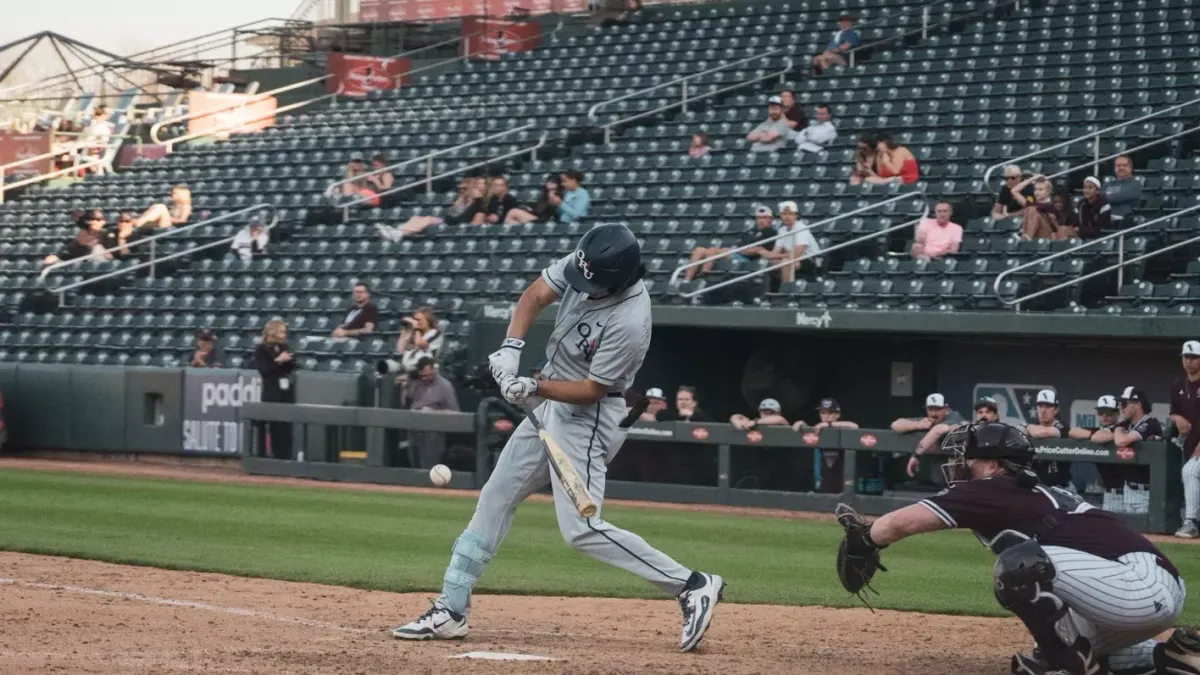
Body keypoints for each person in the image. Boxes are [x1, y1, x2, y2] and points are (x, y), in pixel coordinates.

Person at [392, 223, 725, 651]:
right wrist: (512, 346)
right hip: (549, 401)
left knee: (581, 530)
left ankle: (691, 584)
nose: (583, 285)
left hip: (588, 417)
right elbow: (535, 295)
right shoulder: (590, 261)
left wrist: (535, 387)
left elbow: (592, 389)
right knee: (496, 495)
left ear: (619, 278)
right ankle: (451, 609)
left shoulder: (630, 320)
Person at [841, 421, 1195, 675]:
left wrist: (865, 537)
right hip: (1138, 588)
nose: (958, 464)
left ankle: (1072, 663)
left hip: (1136, 586)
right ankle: (1175, 655)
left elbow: (901, 523)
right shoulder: (1019, 490)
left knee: (1019, 566)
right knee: (1077, 652)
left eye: (968, 457)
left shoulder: (994, 487)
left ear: (993, 465)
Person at [377, 177, 485, 241]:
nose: (462, 190)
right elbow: (452, 213)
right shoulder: (462, 199)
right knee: (416, 218)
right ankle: (396, 231)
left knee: (428, 219)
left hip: (455, 224)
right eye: (461, 188)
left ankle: (398, 233)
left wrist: (475, 197)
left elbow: (463, 217)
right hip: (449, 220)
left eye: (465, 188)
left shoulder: (477, 202)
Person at [402, 357, 460, 469]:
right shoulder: (415, 383)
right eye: (422, 376)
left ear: (434, 370)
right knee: (414, 465)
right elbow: (405, 404)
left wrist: (434, 413)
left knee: (428, 466)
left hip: (434, 431)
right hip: (414, 428)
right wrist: (404, 389)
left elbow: (455, 413)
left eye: (428, 375)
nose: (425, 378)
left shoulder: (445, 385)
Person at [254, 319, 296, 460]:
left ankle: (286, 457)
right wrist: (278, 360)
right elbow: (264, 370)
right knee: (274, 425)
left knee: (286, 428)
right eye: (281, 332)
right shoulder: (261, 349)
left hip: (286, 391)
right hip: (271, 391)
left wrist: (289, 361)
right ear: (273, 332)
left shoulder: (285, 347)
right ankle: (270, 457)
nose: (284, 335)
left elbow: (289, 369)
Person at [1172, 340, 1200, 539]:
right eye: (1186, 357)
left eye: (1194, 357)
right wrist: (1176, 418)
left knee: (1189, 470)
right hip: (1191, 443)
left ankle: (1191, 522)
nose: (1189, 361)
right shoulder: (1177, 385)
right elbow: (1173, 412)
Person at [41, 209, 111, 266]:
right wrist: (57, 257)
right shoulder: (82, 234)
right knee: (51, 260)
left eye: (98, 220)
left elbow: (112, 254)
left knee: (97, 248)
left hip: (97, 264)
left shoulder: (107, 234)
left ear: (103, 222)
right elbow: (69, 251)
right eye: (91, 219)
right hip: (80, 263)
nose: (93, 222)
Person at [394, 306, 443, 374]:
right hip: (413, 371)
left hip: (428, 370)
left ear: (428, 320)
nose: (417, 322)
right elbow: (400, 349)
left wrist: (417, 329)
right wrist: (405, 331)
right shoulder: (416, 333)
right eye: (415, 320)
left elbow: (419, 343)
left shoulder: (435, 332)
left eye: (419, 320)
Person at [1076, 176, 1112, 240]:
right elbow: (1075, 221)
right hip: (1082, 234)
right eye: (1085, 187)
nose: (1086, 190)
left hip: (1099, 236)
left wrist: (1081, 229)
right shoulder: (1081, 203)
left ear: (1097, 191)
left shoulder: (1103, 203)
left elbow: (1102, 227)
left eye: (1090, 188)